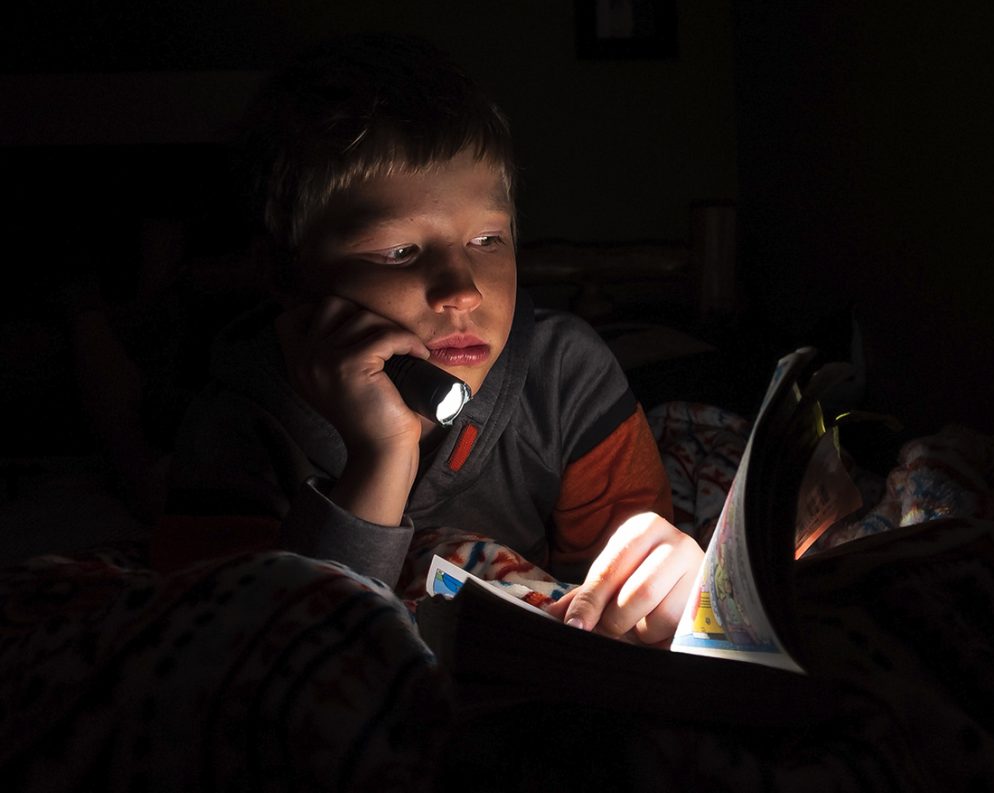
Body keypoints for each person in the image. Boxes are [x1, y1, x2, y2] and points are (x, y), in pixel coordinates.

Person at [161, 34, 703, 646]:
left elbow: (627, 609)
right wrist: (382, 455)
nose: (462, 290)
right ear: (289, 275)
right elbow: (271, 657)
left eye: (487, 241)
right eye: (399, 252)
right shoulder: (238, 421)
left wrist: (666, 587)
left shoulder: (564, 375)